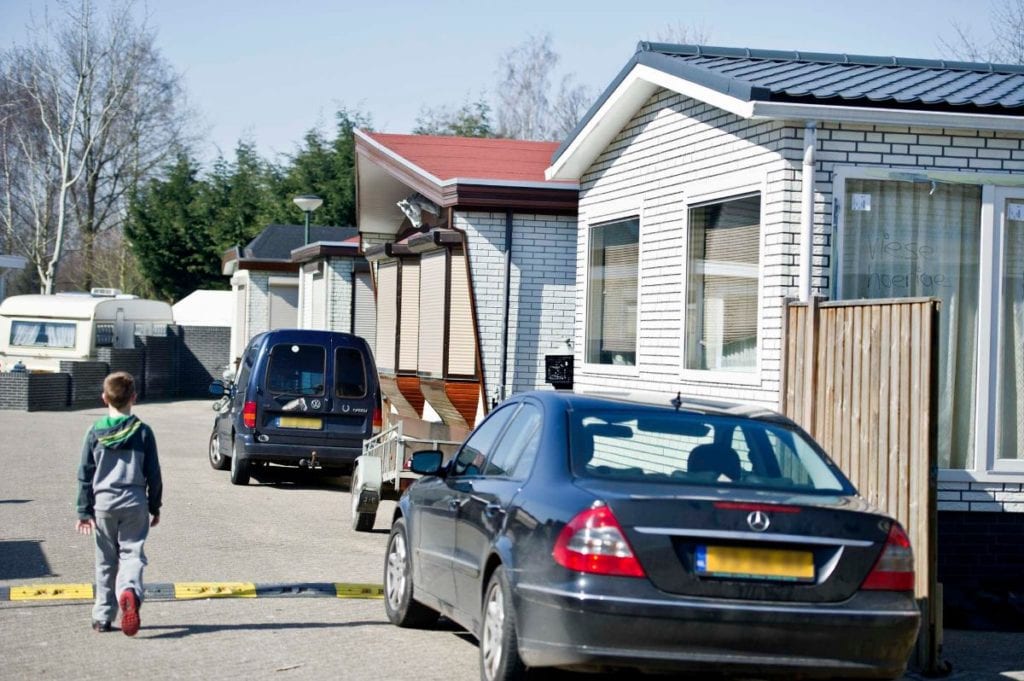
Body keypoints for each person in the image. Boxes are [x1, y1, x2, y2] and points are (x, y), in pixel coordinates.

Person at [75, 371, 162, 636]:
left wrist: (83, 510)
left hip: (104, 504)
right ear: (134, 398)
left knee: (105, 562)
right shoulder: (144, 432)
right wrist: (154, 506)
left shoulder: (94, 432)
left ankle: (102, 617)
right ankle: (130, 591)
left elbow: (84, 473)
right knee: (132, 554)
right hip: (135, 503)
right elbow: (154, 474)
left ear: (104, 398)